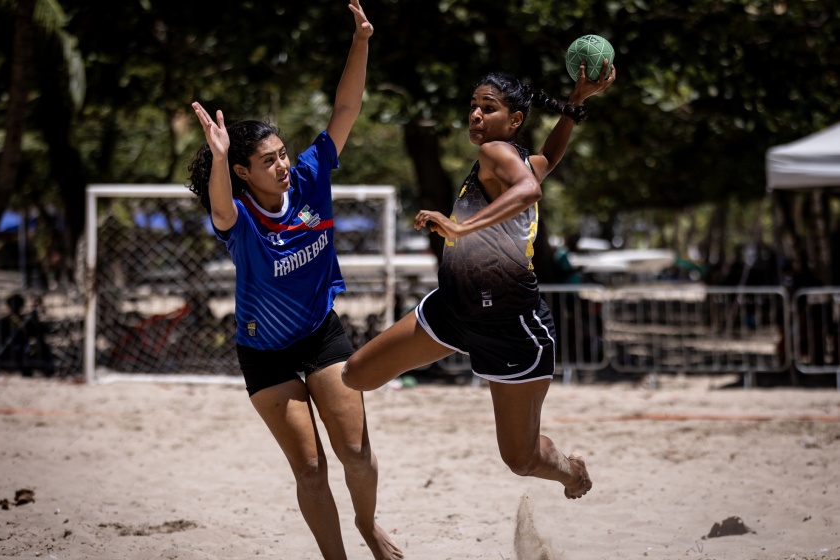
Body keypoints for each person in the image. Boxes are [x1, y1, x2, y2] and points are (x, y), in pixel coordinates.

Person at [187, 3, 402, 559]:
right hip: (264, 353)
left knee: (355, 451)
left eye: (283, 154)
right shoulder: (237, 217)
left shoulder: (308, 176)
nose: (283, 164)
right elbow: (220, 207)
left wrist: (361, 40)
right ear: (243, 171)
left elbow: (347, 106)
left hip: (319, 332)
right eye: (268, 160)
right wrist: (217, 156)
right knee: (310, 467)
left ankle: (368, 523)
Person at [342, 61, 616, 500]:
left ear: (514, 121)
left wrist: (459, 228)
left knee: (521, 459)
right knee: (356, 373)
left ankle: (572, 471)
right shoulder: (514, 159)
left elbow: (530, 190)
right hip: (454, 308)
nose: (475, 115)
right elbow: (546, 161)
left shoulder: (497, 153)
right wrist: (576, 103)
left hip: (510, 326)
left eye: (488, 108)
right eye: (473, 106)